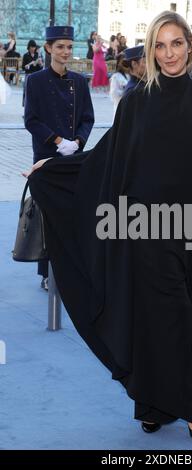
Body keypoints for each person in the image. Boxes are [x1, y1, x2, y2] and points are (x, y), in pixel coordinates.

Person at [24, 11, 192, 442]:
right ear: (151, 53)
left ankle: (152, 403)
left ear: (189, 47)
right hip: (147, 228)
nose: (169, 53)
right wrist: (54, 168)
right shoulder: (136, 102)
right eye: (160, 46)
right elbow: (106, 158)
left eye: (176, 43)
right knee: (166, 314)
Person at [24, 25, 94, 290]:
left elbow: (88, 117)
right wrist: (56, 141)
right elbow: (31, 119)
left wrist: (77, 141)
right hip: (47, 157)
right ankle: (46, 273)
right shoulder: (36, 81)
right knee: (47, 215)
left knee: (73, 213)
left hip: (73, 156)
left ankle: (71, 266)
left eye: (69, 46)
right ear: (48, 48)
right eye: (60, 46)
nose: (66, 51)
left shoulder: (79, 81)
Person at [22, 40, 43, 106]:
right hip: (28, 74)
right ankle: (25, 107)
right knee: (26, 91)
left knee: (37, 92)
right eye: (31, 47)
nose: (33, 49)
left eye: (34, 47)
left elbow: (41, 67)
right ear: (29, 47)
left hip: (37, 75)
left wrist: (40, 64)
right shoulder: (25, 55)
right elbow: (23, 67)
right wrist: (27, 66)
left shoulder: (38, 55)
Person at [109, 52, 129, 117]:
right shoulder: (116, 77)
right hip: (120, 106)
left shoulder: (130, 75)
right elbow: (114, 94)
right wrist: (126, 92)